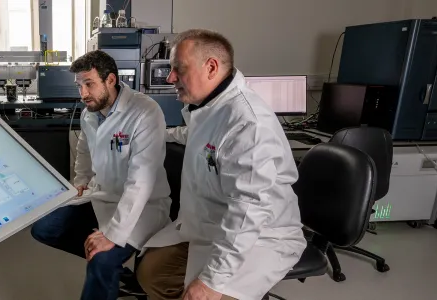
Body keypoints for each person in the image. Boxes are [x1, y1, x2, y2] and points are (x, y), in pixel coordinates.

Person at [136, 29, 307, 300]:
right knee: (150, 273)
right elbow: (197, 134)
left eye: (178, 69)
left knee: (203, 295)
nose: (170, 78)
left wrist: (210, 281)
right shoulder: (210, 106)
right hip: (211, 224)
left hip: (259, 237)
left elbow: (248, 211)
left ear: (211, 67)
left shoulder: (248, 124)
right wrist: (157, 133)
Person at [30, 50, 173, 300]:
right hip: (102, 197)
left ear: (111, 80)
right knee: (44, 228)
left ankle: (109, 270)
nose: (83, 94)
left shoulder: (144, 112)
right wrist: (81, 182)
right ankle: (120, 275)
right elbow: (84, 149)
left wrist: (113, 234)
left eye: (89, 84)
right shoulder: (90, 114)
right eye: (79, 86)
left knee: (101, 262)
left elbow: (140, 183)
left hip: (142, 207)